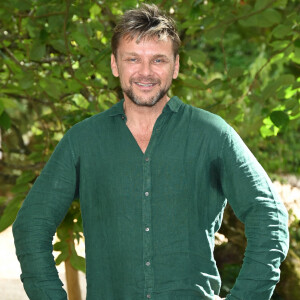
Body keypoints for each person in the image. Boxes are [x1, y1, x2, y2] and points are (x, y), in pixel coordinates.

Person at [13, 4, 289, 300]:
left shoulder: (212, 134)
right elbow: (31, 227)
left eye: (158, 60)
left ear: (176, 65)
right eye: (133, 59)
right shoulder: (82, 140)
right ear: (115, 65)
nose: (145, 72)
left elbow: (268, 215)